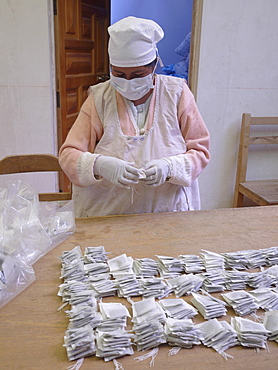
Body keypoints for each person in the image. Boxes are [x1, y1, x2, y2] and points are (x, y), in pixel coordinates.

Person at [59, 16, 210, 217]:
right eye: (119, 75)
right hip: (109, 213)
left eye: (138, 75)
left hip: (167, 212)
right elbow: (69, 154)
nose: (128, 82)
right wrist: (99, 165)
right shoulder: (100, 97)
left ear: (154, 65)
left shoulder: (177, 93)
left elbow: (200, 151)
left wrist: (170, 167)